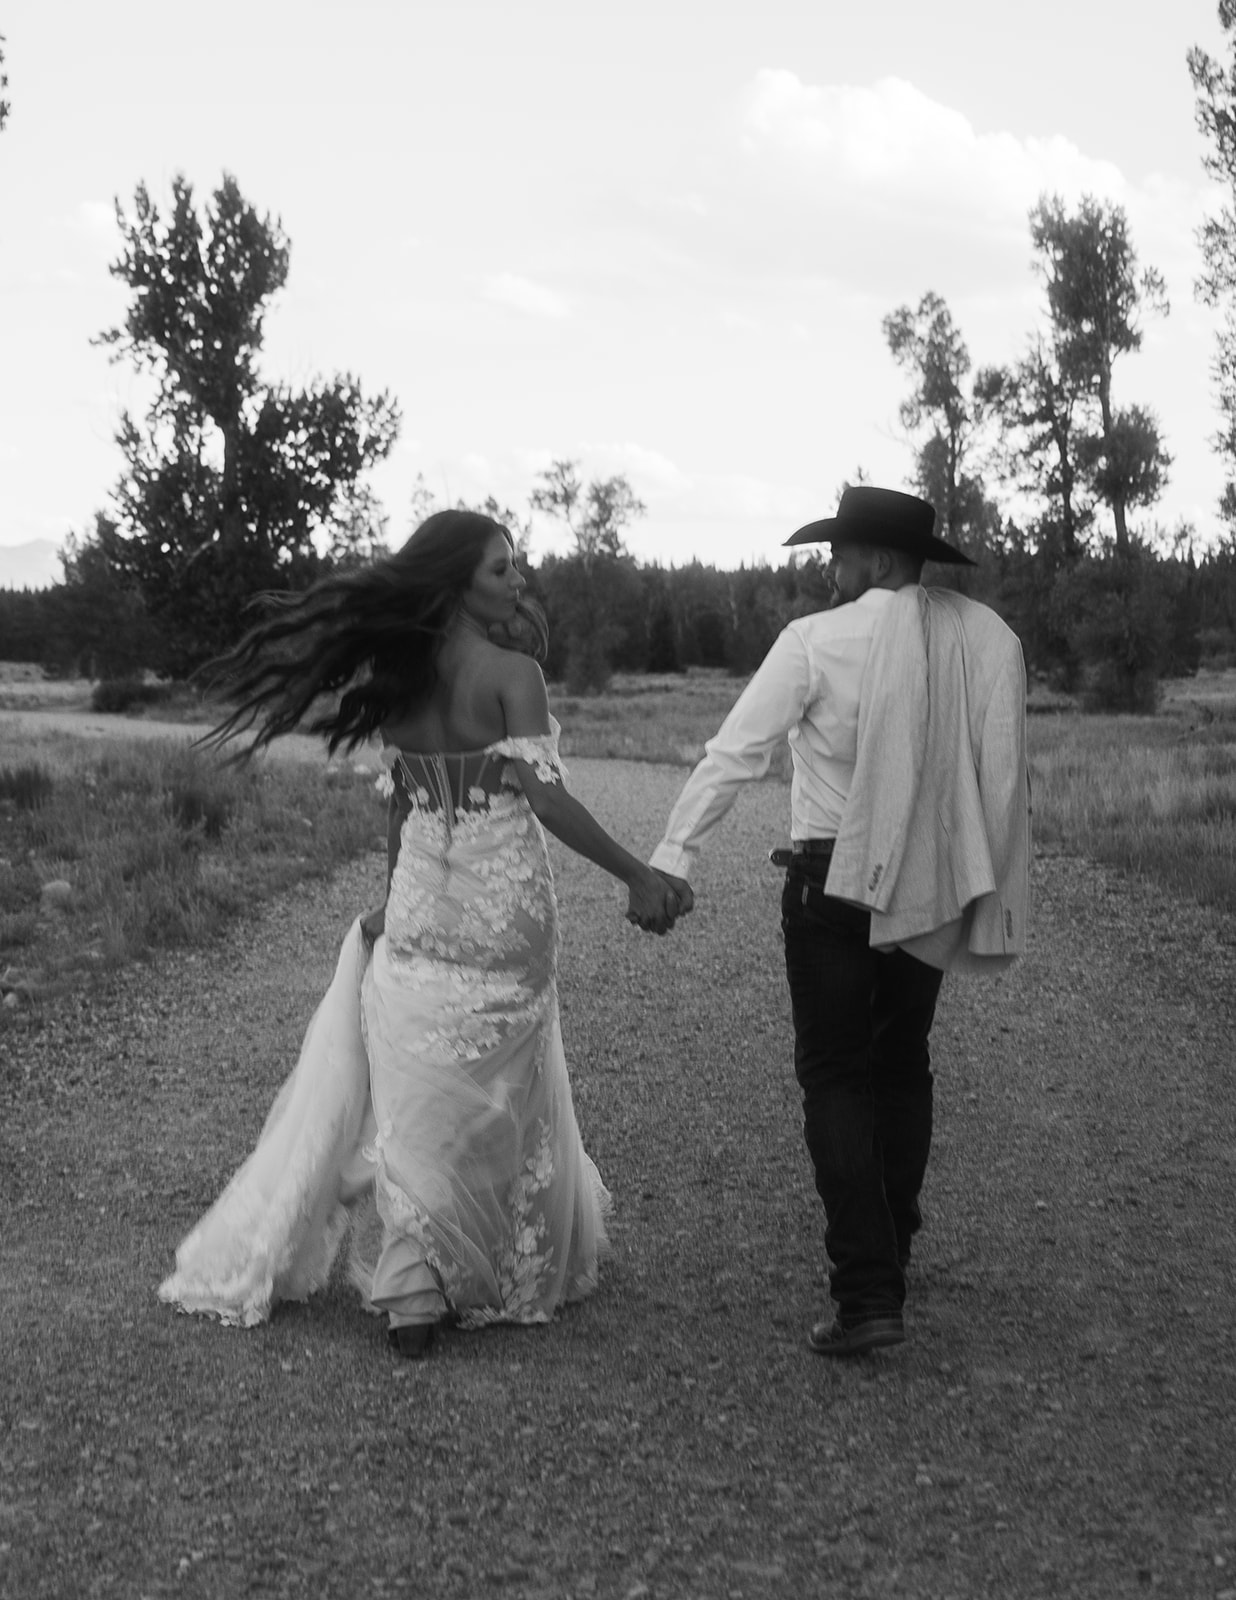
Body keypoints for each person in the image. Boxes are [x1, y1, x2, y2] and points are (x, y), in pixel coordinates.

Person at [158, 509, 691, 1357]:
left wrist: (388, 900)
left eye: (515, 568)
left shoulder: (396, 679)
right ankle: (481, 1259)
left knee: (415, 1088)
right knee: (498, 1081)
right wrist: (638, 872)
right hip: (502, 903)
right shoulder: (514, 673)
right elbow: (545, 799)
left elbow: (405, 806)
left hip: (420, 901)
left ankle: (413, 1289)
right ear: (455, 584)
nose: (518, 581)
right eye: (500, 570)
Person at [646, 486, 1029, 1357]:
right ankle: (890, 1253)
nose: (832, 568)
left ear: (880, 562)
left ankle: (867, 1297)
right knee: (901, 1066)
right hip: (929, 879)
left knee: (835, 1076)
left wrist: (674, 856)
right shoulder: (972, 641)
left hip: (830, 882)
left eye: (842, 553)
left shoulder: (816, 642)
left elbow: (734, 753)